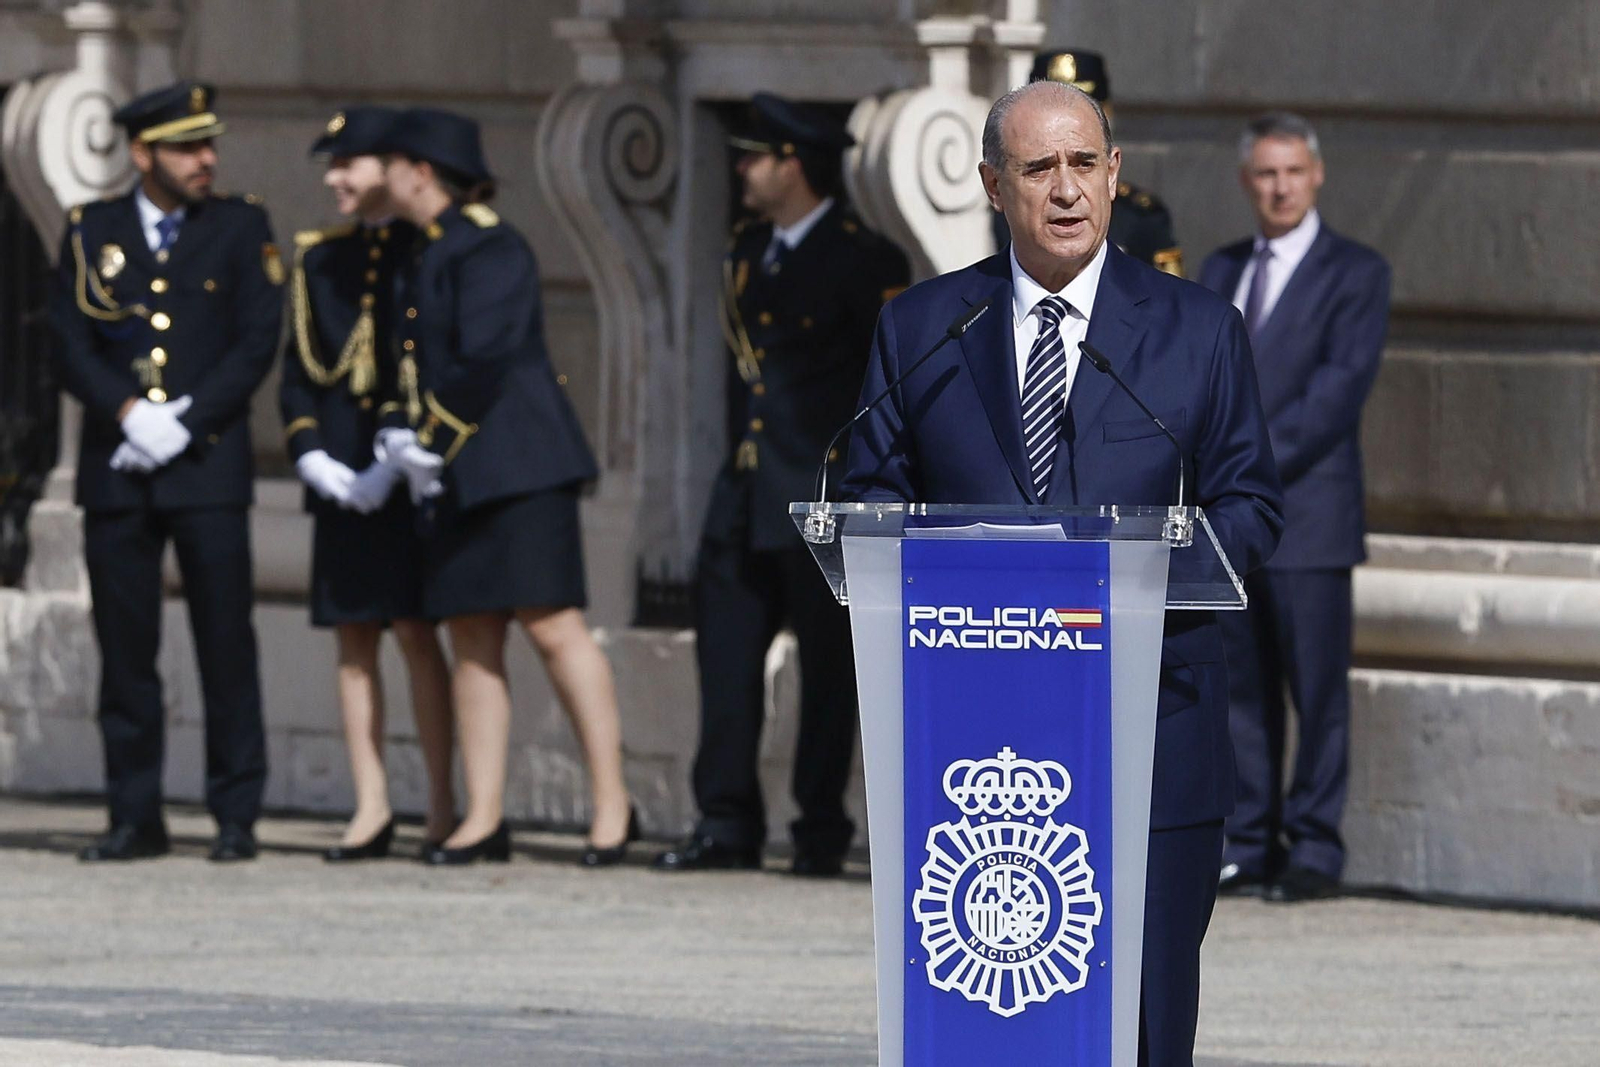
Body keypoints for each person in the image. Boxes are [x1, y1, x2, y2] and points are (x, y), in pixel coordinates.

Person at [840, 81, 1283, 1064]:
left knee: (1144, 1012)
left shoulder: (1195, 330)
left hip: (1151, 727)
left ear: (1116, 175)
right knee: (987, 1010)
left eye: (1085, 164)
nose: (1067, 189)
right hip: (968, 737)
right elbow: (868, 500)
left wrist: (1132, 588)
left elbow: (1250, 506)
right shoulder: (922, 330)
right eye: (1039, 169)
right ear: (994, 186)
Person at [651, 93, 909, 877]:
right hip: (746, 487)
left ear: (793, 164)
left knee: (828, 675)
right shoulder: (745, 251)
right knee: (726, 664)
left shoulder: (867, 259)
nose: (741, 170)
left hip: (821, 493)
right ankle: (725, 818)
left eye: (754, 157)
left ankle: (819, 826)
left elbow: (884, 387)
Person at [368, 108, 635, 867]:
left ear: (422, 171)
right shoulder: (420, 250)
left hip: (518, 468)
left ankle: (613, 806)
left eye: (391, 163)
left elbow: (485, 357)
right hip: (453, 474)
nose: (384, 176)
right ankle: (482, 815)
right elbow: (408, 359)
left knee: (553, 628)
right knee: (473, 636)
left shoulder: (491, 245)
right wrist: (400, 433)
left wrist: (430, 441)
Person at [48, 81, 281, 862]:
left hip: (207, 464)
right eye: (186, 147)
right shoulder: (92, 229)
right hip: (119, 467)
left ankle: (236, 809)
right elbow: (69, 341)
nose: (204, 160)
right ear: (143, 153)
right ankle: (134, 812)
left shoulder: (242, 227)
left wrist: (183, 420)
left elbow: (256, 340)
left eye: (208, 144)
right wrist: (126, 413)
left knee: (225, 642)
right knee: (126, 648)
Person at [1199, 112, 1390, 904]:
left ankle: (1314, 845)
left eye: (1292, 172)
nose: (1279, 187)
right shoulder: (1220, 268)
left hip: (1309, 518)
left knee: (1316, 691)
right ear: (1247, 182)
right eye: (1265, 174)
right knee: (1241, 688)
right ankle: (1249, 840)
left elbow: (1335, 394)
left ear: (1316, 176)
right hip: (1233, 526)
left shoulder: (1356, 271)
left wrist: (1241, 463)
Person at [279, 106, 456, 861]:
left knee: (418, 633)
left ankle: (443, 804)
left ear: (389, 166)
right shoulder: (321, 259)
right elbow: (299, 373)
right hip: (343, 467)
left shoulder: (429, 252)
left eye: (348, 163)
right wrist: (314, 455)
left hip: (405, 465)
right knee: (354, 640)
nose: (335, 179)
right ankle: (371, 802)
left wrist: (395, 462)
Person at [1030, 48, 1184, 276]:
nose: (1067, 192)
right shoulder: (1004, 211)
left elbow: (1171, 300)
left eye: (1083, 164)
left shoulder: (1139, 215)